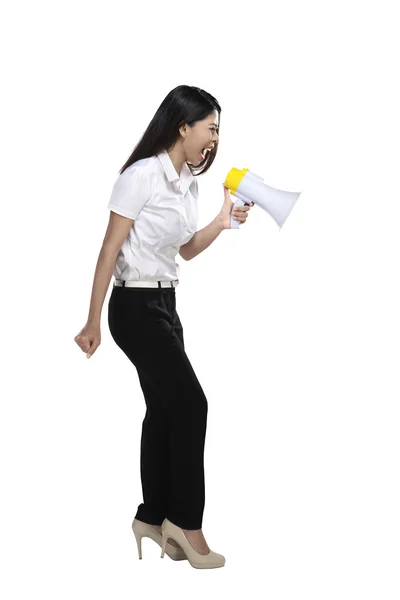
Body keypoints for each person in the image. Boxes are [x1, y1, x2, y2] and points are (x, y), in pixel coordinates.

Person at [74, 85, 253, 569]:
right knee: (192, 403)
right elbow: (109, 250)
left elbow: (187, 250)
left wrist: (222, 220)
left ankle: (152, 517)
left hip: (166, 304)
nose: (214, 139)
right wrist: (92, 319)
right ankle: (186, 523)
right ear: (183, 126)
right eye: (210, 128)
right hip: (132, 308)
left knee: (164, 408)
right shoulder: (141, 176)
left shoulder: (185, 183)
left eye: (217, 131)